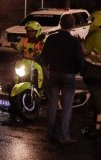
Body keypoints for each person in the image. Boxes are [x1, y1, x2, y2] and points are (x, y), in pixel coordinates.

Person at [41, 14, 84, 144]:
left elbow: (44, 57)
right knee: (67, 106)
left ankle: (50, 133)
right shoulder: (75, 42)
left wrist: (49, 67)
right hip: (68, 75)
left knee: (52, 104)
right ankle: (64, 136)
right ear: (72, 26)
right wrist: (77, 71)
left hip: (54, 73)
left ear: (60, 23)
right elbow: (80, 61)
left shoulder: (51, 39)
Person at [82, 10, 101, 137]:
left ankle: (97, 127)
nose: (90, 23)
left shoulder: (95, 35)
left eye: (92, 20)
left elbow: (84, 51)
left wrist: (79, 43)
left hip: (93, 72)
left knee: (97, 99)